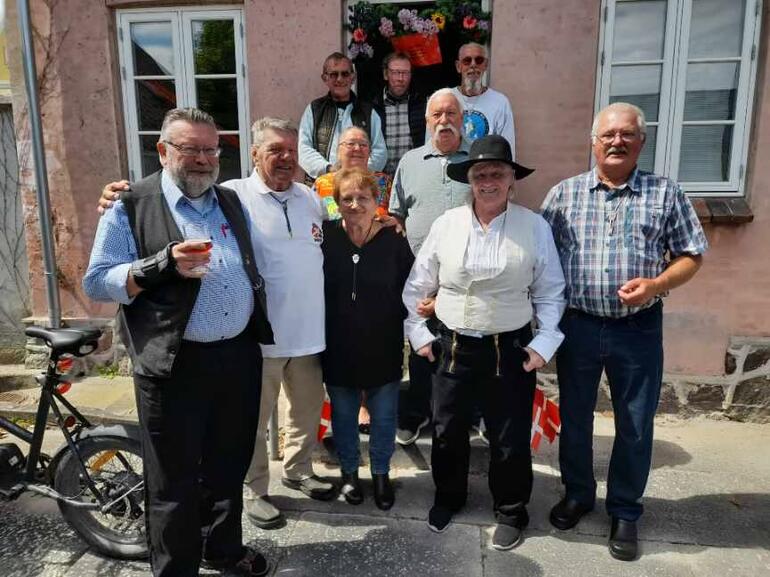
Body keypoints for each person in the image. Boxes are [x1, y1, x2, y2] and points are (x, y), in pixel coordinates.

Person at [97, 117, 335, 531]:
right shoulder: (233, 194)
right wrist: (116, 197)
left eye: (292, 151)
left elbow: (348, 218)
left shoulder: (312, 198)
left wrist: (384, 220)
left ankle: (298, 471)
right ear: (254, 154)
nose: (286, 158)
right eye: (275, 150)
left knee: (304, 412)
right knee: (251, 425)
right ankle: (255, 490)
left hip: (308, 332)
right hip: (259, 336)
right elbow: (171, 195)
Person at [83, 108, 273, 577]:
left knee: (228, 466)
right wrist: (161, 264)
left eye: (211, 150)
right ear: (163, 151)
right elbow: (98, 281)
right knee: (173, 481)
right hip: (173, 364)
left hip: (237, 357)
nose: (204, 159)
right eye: (191, 149)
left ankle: (222, 550)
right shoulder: (131, 205)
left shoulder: (229, 200)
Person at [542, 102, 708, 561]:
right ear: (593, 143)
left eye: (627, 134)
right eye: (608, 135)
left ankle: (625, 510)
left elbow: (692, 254)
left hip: (637, 329)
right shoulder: (563, 195)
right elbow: (541, 258)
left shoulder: (665, 193)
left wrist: (656, 285)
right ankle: (578, 494)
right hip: (577, 325)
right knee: (575, 418)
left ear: (641, 142)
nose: (617, 142)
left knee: (635, 423)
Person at [402, 134, 566, 550]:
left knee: (509, 435)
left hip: (508, 348)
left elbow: (550, 291)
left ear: (511, 179)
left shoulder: (534, 226)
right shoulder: (447, 224)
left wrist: (544, 344)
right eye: (480, 175)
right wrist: (419, 333)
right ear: (469, 180)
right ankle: (448, 497)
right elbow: (417, 284)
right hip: (452, 345)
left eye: (497, 173)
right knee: (447, 431)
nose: (488, 182)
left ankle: (511, 510)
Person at [321, 168, 414, 510]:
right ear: (337, 203)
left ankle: (380, 474)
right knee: (344, 416)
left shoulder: (394, 239)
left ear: (377, 202)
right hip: (338, 344)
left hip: (383, 343)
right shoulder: (325, 237)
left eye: (363, 197)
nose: (355, 204)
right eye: (347, 198)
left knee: (384, 417)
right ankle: (349, 474)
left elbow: (413, 286)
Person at [388, 88, 470, 446]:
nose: (444, 120)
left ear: (462, 119)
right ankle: (418, 412)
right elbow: (397, 215)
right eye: (437, 114)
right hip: (420, 277)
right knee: (422, 348)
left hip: (467, 279)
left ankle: (469, 414)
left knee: (466, 349)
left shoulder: (477, 159)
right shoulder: (410, 162)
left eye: (451, 113)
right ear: (427, 120)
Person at [299, 52, 387, 181]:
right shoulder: (314, 110)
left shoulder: (368, 112)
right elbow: (304, 149)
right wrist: (328, 169)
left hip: (359, 185)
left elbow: (380, 151)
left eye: (345, 74)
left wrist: (357, 172)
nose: (339, 79)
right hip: (323, 184)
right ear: (325, 78)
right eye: (334, 74)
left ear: (353, 77)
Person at [313, 126, 391, 221]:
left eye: (363, 145)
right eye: (350, 144)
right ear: (339, 151)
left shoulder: (383, 182)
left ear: (369, 152)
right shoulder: (322, 183)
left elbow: (397, 216)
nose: (357, 148)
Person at [451, 43, 515, 153]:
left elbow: (507, 147)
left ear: (485, 65)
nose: (473, 65)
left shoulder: (500, 102)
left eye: (479, 60)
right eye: (467, 61)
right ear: (458, 66)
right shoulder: (446, 99)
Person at [372, 52, 427, 176]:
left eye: (405, 73)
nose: (400, 78)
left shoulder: (420, 104)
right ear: (386, 74)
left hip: (413, 176)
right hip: (381, 178)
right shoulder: (374, 106)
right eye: (395, 72)